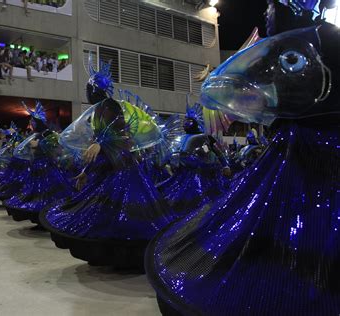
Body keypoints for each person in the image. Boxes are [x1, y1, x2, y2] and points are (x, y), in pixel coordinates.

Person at [145, 1, 340, 314]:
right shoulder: (317, 39)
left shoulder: (312, 42)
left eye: (272, 8)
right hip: (296, 159)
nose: (267, 14)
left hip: (303, 161)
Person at [40, 60, 176, 269]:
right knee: (103, 215)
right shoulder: (97, 111)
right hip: (107, 168)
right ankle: (108, 257)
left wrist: (101, 144)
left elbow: (121, 135)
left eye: (88, 88)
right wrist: (86, 170)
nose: (86, 92)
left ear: (95, 90)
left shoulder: (110, 106)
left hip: (122, 170)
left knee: (123, 217)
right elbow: (101, 142)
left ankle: (125, 259)